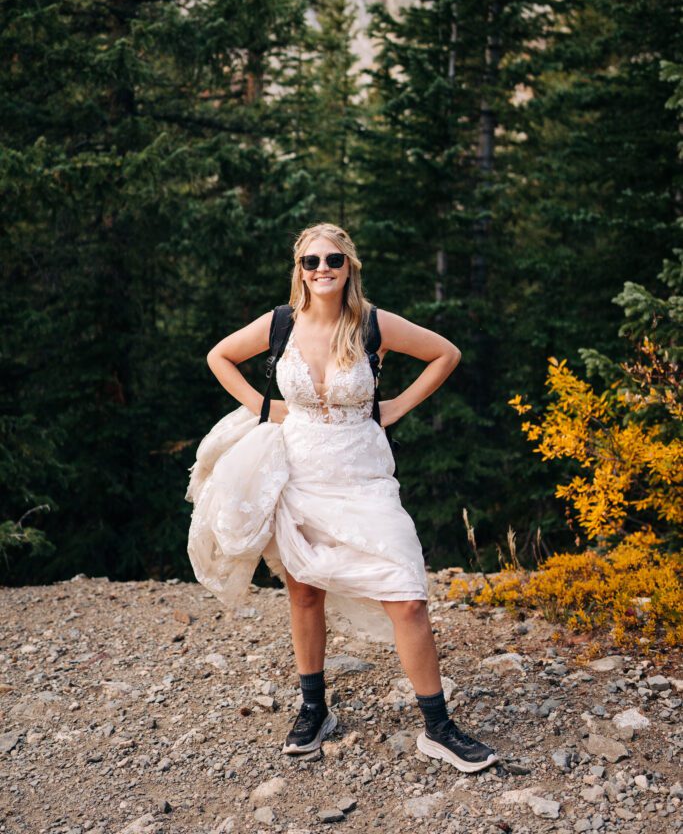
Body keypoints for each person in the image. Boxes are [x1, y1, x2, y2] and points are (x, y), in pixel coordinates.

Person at [203, 221, 498, 774]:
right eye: (311, 261)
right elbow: (219, 357)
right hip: (297, 472)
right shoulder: (281, 324)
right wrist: (264, 408)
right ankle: (314, 709)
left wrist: (397, 407)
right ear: (300, 269)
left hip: (363, 476)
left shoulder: (370, 324)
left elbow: (445, 354)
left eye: (332, 260)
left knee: (407, 595)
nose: (322, 270)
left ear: (349, 266)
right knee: (305, 593)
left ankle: (438, 727)